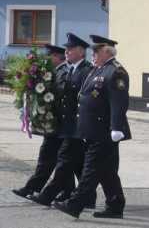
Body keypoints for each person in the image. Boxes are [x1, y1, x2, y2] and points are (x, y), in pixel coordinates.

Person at [52, 35, 131, 219]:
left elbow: (119, 101)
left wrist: (117, 127)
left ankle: (75, 204)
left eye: (96, 51)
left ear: (107, 52)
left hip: (105, 130)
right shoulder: (98, 69)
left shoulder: (116, 71)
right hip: (93, 130)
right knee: (108, 170)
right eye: (93, 51)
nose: (93, 54)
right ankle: (115, 204)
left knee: (91, 168)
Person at [29, 33, 94, 207]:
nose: (66, 52)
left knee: (64, 160)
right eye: (66, 49)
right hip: (67, 124)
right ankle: (88, 198)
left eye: (70, 49)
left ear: (81, 52)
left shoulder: (86, 70)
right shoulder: (71, 70)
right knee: (78, 163)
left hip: (77, 124)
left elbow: (85, 100)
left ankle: (47, 196)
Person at [11, 45, 69, 199]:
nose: (46, 60)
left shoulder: (64, 73)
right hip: (53, 124)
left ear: (57, 57)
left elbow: (59, 95)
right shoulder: (53, 72)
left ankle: (32, 189)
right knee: (59, 160)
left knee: (50, 158)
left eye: (49, 56)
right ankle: (68, 192)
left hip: (58, 123)